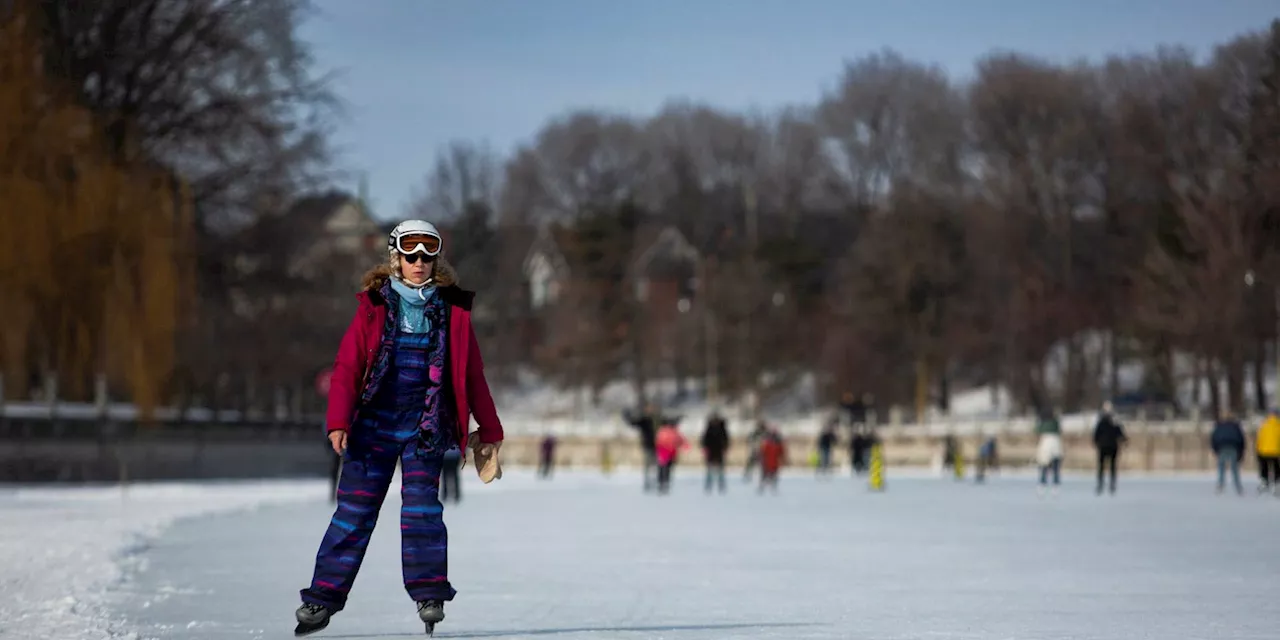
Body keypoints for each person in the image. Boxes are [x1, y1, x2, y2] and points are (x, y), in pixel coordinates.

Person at [294, 220, 504, 636]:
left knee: (423, 511)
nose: (420, 263)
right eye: (411, 255)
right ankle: (321, 598)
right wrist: (338, 421)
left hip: (426, 425)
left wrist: (491, 428)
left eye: (428, 255)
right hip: (372, 426)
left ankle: (429, 593)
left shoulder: (452, 311)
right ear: (396, 258)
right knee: (354, 513)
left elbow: (472, 375)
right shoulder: (373, 306)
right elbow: (348, 367)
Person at [1092, 402, 1127, 495]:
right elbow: (1120, 433)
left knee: (1102, 466)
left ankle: (1101, 485)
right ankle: (1110, 485)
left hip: (1104, 446)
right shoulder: (1114, 421)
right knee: (1112, 466)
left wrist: (1095, 442)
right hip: (1112, 446)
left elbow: (1096, 434)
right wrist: (1124, 440)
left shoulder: (1101, 421)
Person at [624, 404, 659, 491]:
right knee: (648, 464)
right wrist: (626, 416)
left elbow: (668, 423)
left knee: (657, 464)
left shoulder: (657, 420)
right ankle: (648, 482)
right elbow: (633, 423)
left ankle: (657, 481)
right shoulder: (644, 420)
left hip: (659, 446)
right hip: (647, 445)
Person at [1210, 412, 1246, 495]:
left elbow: (1214, 438)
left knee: (1221, 467)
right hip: (1233, 447)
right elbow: (1241, 439)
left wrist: (1215, 450)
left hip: (1222, 447)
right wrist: (1241, 452)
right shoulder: (1236, 426)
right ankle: (1238, 486)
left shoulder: (1219, 426)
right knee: (1234, 468)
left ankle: (1220, 485)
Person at [654, 417, 688, 495]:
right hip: (666, 451)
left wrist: (684, 445)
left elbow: (680, 440)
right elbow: (680, 440)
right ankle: (663, 482)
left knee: (664, 468)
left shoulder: (665, 431)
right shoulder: (668, 431)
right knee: (665, 468)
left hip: (667, 452)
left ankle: (663, 482)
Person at [700, 411, 730, 494]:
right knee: (709, 471)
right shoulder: (709, 429)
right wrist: (704, 448)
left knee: (720, 470)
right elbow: (704, 440)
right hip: (711, 451)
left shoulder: (722, 428)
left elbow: (726, 440)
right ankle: (709, 486)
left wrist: (725, 448)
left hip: (719, 451)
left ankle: (721, 486)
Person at [1035, 410, 1064, 494]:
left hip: (1046, 447)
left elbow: (1036, 430)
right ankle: (1056, 485)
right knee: (1056, 468)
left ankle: (1042, 484)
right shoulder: (1056, 424)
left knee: (1044, 467)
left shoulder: (1043, 426)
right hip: (1056, 447)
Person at [1256, 409, 1280, 494]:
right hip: (1276, 451)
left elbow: (1260, 438)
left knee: (1265, 467)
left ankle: (1265, 481)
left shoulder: (1264, 425)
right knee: (1276, 467)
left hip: (1264, 450)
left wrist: (1258, 449)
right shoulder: (1278, 425)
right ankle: (1276, 482)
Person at [759, 428, 787, 494]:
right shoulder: (769, 443)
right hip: (769, 462)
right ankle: (764, 487)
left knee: (771, 475)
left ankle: (771, 487)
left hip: (772, 462)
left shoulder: (774, 443)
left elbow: (781, 453)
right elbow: (763, 452)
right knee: (767, 475)